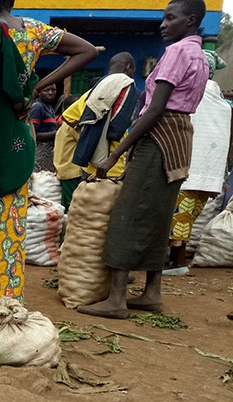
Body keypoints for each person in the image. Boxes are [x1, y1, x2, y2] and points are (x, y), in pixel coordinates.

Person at [0, 0, 97, 308]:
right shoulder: (34, 30)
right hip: (16, 134)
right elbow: (88, 51)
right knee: (10, 220)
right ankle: (4, 301)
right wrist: (39, 86)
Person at [79, 0, 208, 319]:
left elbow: (154, 109)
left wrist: (114, 156)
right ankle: (151, 293)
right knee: (158, 217)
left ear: (190, 21)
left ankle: (117, 299)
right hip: (180, 139)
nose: (163, 24)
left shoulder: (178, 52)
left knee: (129, 212)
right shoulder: (201, 56)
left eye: (170, 18)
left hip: (159, 136)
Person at [164, 49, 232, 275]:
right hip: (210, 174)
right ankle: (174, 260)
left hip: (188, 169)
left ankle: (178, 262)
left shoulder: (192, 96)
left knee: (178, 218)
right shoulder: (222, 105)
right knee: (188, 217)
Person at [58, 52, 139, 210]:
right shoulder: (127, 88)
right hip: (112, 165)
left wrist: (89, 136)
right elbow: (120, 127)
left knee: (85, 212)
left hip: (88, 164)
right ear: (128, 68)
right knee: (105, 215)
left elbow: (68, 117)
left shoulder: (93, 92)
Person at [30, 86, 59, 172]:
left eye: (53, 90)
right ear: (38, 93)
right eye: (46, 90)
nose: (50, 93)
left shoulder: (49, 108)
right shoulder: (37, 107)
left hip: (49, 153)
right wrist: (58, 133)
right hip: (41, 153)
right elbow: (34, 134)